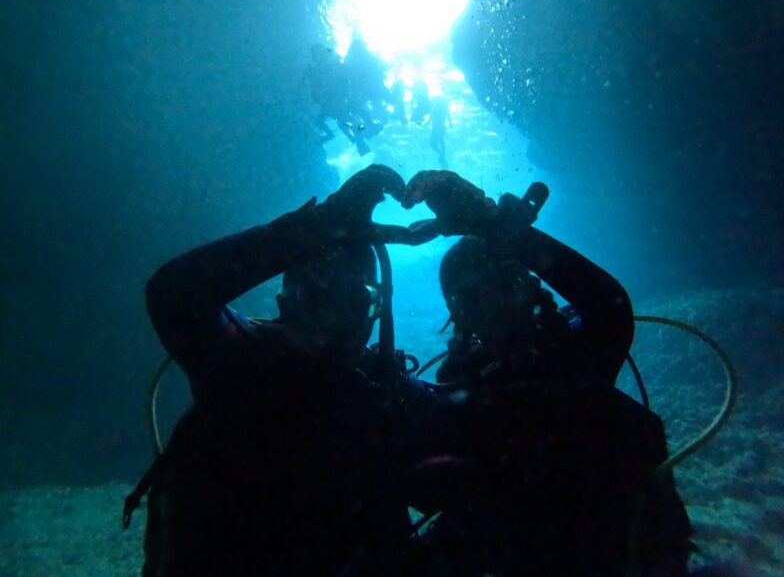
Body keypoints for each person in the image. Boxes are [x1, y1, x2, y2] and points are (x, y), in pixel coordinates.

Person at [399, 170, 694, 577]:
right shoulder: (453, 394)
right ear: (458, 314)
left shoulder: (574, 355)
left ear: (529, 284)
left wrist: (498, 227)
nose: (494, 306)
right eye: (472, 297)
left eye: (503, 283)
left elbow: (608, 304)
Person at [129, 165, 418, 577]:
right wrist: (319, 225)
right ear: (285, 306)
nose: (336, 320)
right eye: (318, 298)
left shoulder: (389, 396)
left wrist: (497, 230)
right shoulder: (239, 365)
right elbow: (174, 294)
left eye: (354, 301)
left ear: (376, 311)